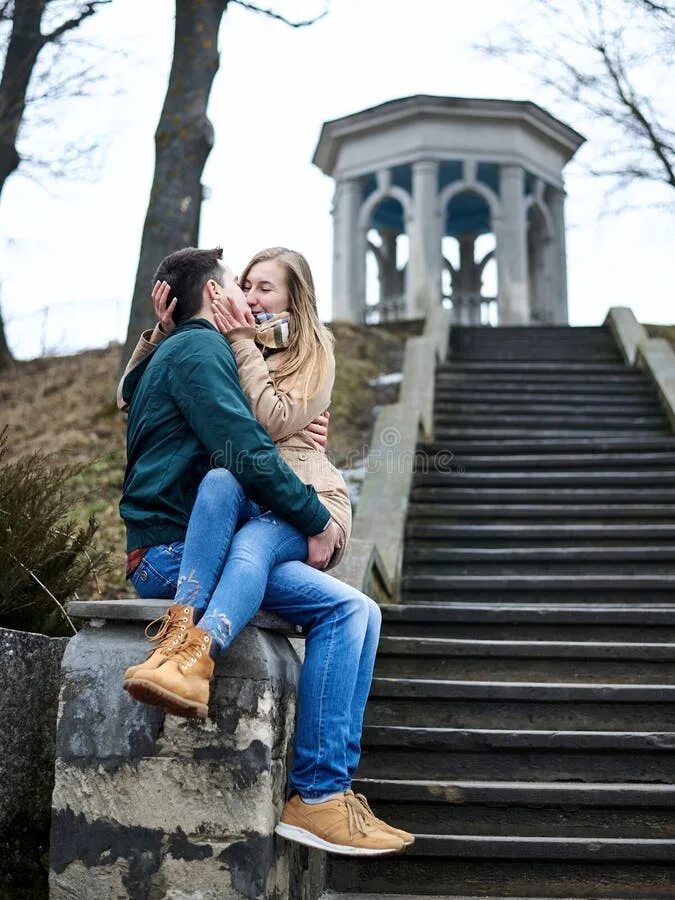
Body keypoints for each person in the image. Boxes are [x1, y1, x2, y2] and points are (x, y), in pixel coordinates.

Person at [117, 246, 413, 856]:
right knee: (349, 609)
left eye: (263, 287)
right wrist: (167, 332)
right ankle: (316, 791)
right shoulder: (206, 347)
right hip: (212, 530)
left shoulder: (286, 348)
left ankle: (323, 794)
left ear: (293, 299)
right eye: (240, 284)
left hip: (278, 508)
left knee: (360, 610)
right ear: (212, 297)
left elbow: (265, 424)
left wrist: (311, 500)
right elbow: (243, 437)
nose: (248, 297)